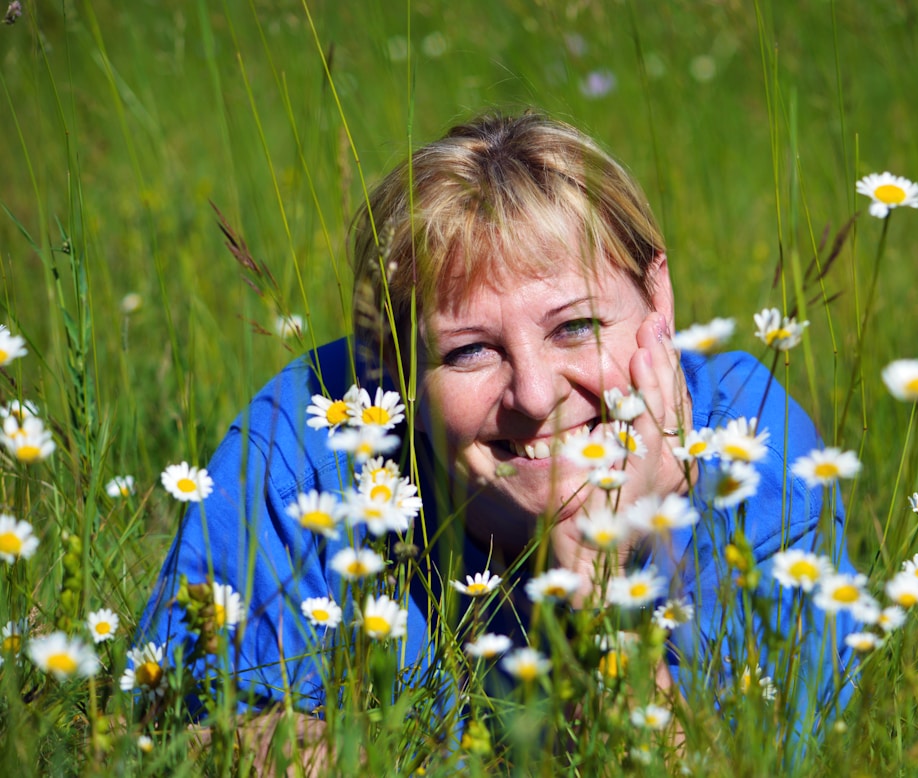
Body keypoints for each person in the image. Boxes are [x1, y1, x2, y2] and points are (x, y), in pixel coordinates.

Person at [139, 112, 858, 757]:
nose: (536, 395)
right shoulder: (311, 441)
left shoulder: (749, 448)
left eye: (575, 326)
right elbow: (185, 737)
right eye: (468, 351)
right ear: (394, 366)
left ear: (658, 299)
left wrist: (600, 591)